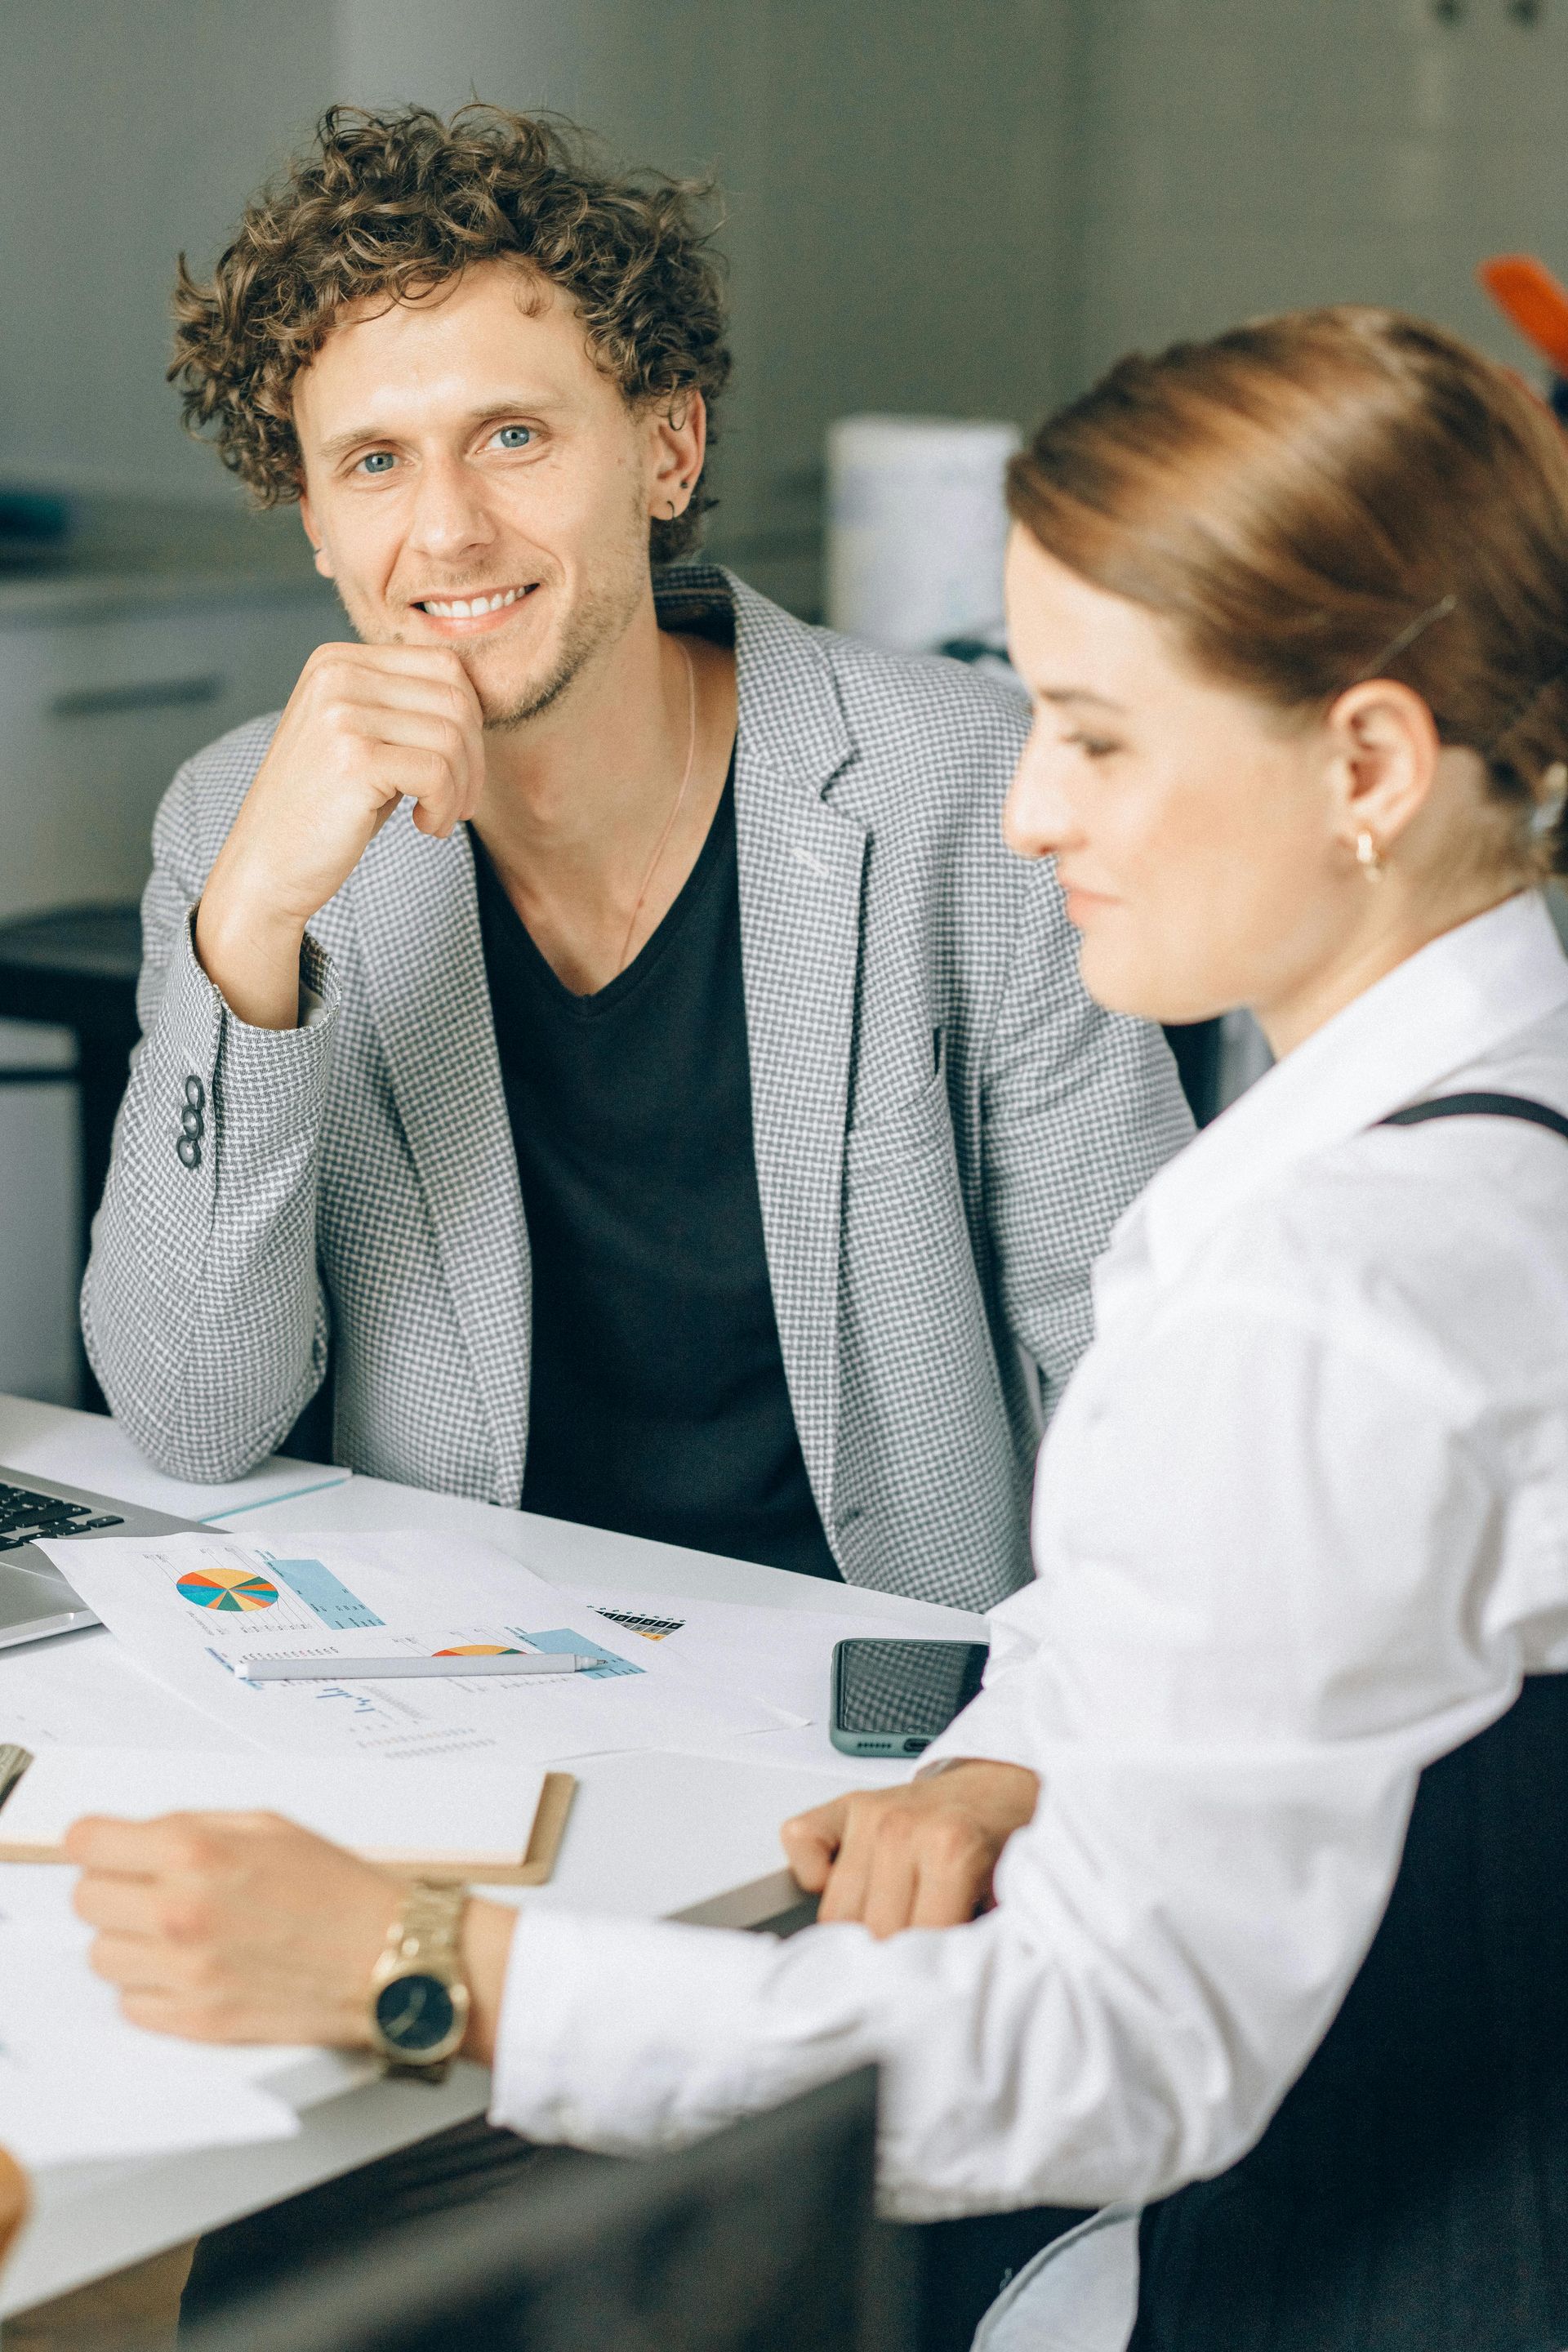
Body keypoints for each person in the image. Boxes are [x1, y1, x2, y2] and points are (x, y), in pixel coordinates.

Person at [71, 303, 1568, 2351]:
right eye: (369, 462)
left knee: (369, 2289)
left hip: (1305, 2232)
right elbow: (1226, 1584)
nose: (1037, 811)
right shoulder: (1456, 1136)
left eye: (1098, 734)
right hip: (789, 1837)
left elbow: (1110, 2048)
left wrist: (427, 1962)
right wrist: (1028, 1742)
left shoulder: (1325, 1298)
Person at [80, 103, 1187, 1615]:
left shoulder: (968, 793)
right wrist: (254, 927)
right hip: (465, 1677)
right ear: (317, 524)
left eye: (514, 437)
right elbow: (191, 1418)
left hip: (885, 1681)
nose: (449, 530)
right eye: (376, 462)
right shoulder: (237, 824)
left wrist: (1025, 1746)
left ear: (667, 451)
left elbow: (1151, 1380)